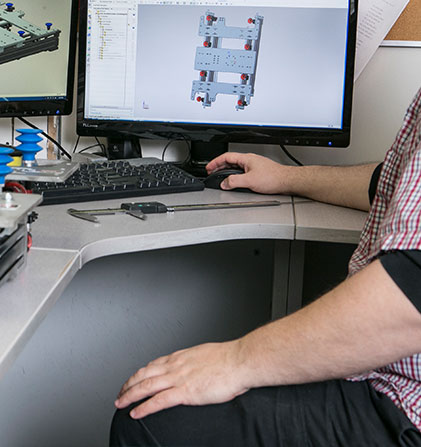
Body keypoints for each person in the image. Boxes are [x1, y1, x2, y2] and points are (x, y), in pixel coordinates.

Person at [110, 87, 421, 446]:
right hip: (390, 377)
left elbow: (408, 301)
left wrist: (234, 362)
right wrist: (286, 177)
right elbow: (388, 183)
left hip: (404, 408)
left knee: (149, 419)